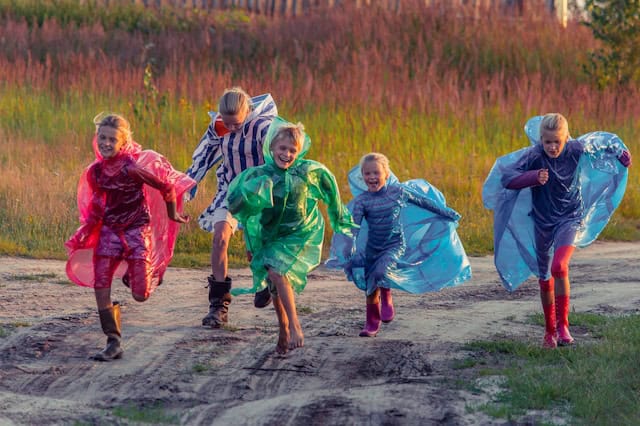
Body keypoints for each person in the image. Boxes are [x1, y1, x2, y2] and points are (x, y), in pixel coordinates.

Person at [483, 113, 631, 348]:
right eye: (547, 141)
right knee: (544, 277)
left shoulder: (575, 149)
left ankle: (563, 327)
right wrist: (532, 177)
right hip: (542, 223)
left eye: (557, 142)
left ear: (566, 139)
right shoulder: (534, 155)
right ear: (541, 139)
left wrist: (621, 154)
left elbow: (601, 143)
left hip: (569, 218)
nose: (552, 147)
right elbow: (506, 178)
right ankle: (549, 331)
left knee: (559, 266)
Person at [65, 113, 194, 361]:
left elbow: (166, 187)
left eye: (112, 139)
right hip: (109, 232)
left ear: (123, 142)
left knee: (140, 295)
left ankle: (149, 272)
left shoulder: (133, 169)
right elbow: (95, 206)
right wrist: (87, 231)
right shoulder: (96, 173)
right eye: (102, 137)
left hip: (136, 230)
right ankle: (113, 341)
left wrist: (173, 215)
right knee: (100, 283)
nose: (106, 143)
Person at [226, 118, 356, 354]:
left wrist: (338, 217)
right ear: (272, 148)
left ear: (300, 151)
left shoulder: (307, 172)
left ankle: (295, 325)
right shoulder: (260, 175)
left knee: (277, 272)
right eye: (282, 148)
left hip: (298, 233)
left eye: (292, 150)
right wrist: (251, 195)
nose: (286, 154)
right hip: (270, 235)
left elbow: (330, 187)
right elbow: (241, 210)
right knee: (275, 284)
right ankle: (283, 326)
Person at [327, 153, 471, 337]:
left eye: (376, 173)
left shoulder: (398, 192)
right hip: (373, 247)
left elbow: (424, 202)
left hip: (394, 244)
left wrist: (446, 213)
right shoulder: (362, 201)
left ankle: (377, 315)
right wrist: (349, 245)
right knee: (371, 283)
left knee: (380, 272)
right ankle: (374, 315)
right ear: (362, 176)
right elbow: (354, 225)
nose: (371, 177)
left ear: (386, 174)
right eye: (367, 173)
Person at [185, 88, 277, 328]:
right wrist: (188, 183)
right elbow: (204, 156)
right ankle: (218, 305)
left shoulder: (263, 127)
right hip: (230, 190)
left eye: (236, 124)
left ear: (248, 112)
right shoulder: (219, 126)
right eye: (227, 123)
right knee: (220, 238)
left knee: (254, 245)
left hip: (259, 190)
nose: (231, 128)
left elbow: (281, 156)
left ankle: (264, 280)